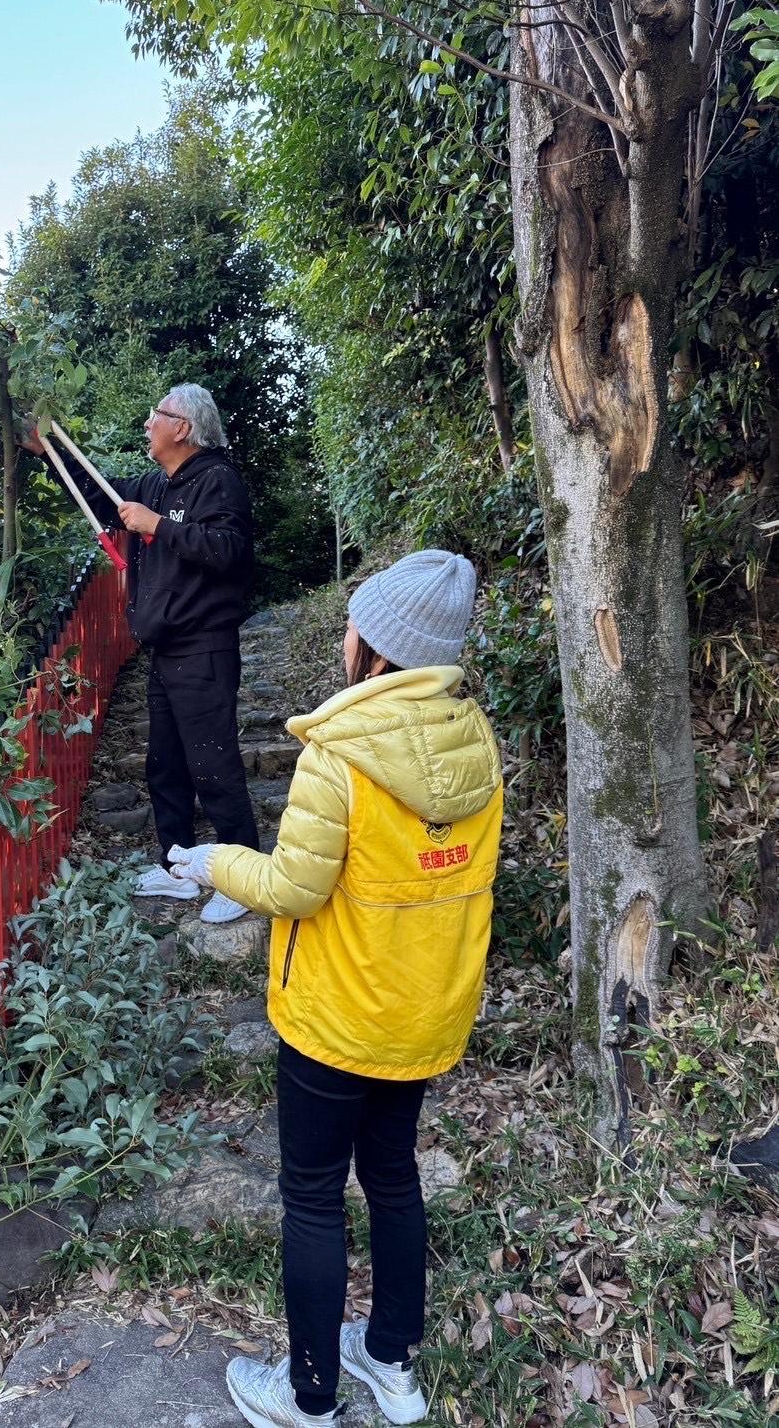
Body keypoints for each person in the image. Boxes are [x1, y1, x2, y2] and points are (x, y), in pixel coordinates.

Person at [168, 550, 503, 1428]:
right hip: (423, 1012)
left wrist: (213, 862)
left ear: (380, 649)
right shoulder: (479, 745)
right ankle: (390, 1363)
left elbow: (293, 888)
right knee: (392, 1177)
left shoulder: (340, 755)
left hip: (335, 1019)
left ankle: (310, 1392)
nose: (346, 634)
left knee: (313, 1193)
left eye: (358, 622)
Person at [24, 384, 261, 924]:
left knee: (213, 763)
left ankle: (243, 875)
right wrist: (49, 453)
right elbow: (103, 495)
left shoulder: (217, 481)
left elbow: (229, 552)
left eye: (159, 415)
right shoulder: (158, 482)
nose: (149, 422)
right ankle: (178, 866)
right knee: (166, 765)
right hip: (165, 647)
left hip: (204, 645)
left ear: (184, 428)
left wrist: (159, 526)